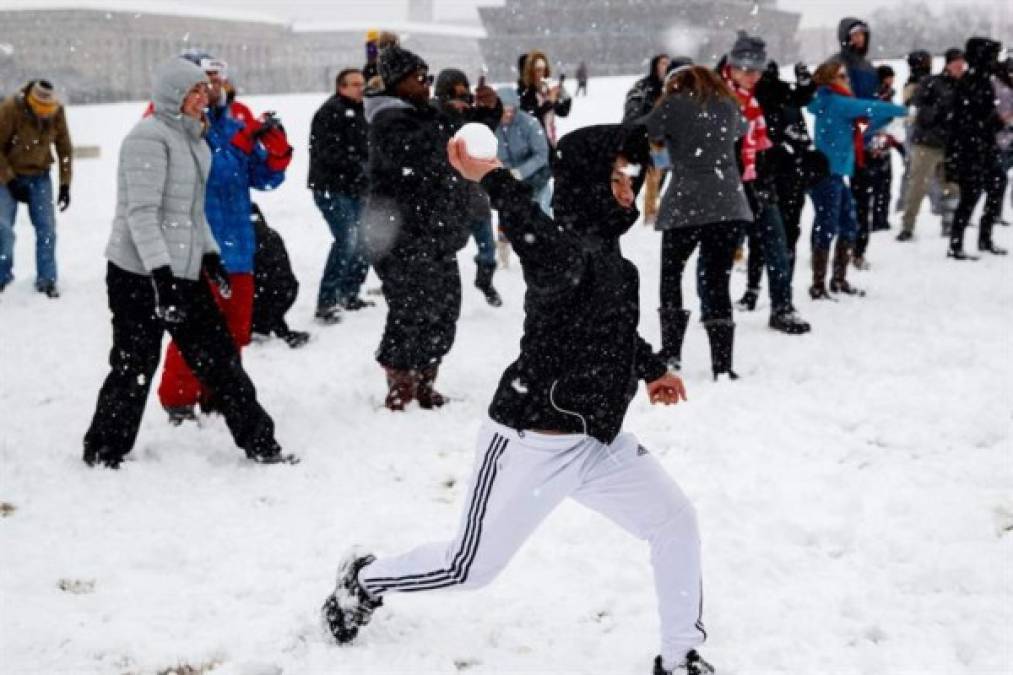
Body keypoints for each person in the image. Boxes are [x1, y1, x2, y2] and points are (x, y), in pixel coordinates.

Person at [322, 124, 716, 675]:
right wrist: (495, 179)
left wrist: (651, 370)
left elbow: (612, 331)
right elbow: (530, 232)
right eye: (614, 176)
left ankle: (680, 656)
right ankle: (363, 580)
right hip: (530, 441)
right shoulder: (563, 254)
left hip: (597, 443)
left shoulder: (613, 262)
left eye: (631, 175)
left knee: (675, 521)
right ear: (584, 185)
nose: (628, 187)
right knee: (469, 567)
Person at [82, 58, 294, 468]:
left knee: (220, 360)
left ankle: (261, 444)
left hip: (184, 270)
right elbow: (142, 214)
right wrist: (160, 277)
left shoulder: (197, 141)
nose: (204, 96)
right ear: (172, 95)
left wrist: (210, 256)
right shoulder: (147, 138)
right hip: (136, 273)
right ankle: (104, 449)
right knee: (134, 363)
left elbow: (193, 214)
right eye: (194, 90)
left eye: (204, 89)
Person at [155, 51, 292, 424]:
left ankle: (219, 393)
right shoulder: (167, 124)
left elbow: (265, 179)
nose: (214, 86)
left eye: (217, 77)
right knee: (195, 330)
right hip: (193, 247)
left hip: (237, 244)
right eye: (204, 79)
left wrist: (274, 147)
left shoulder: (234, 124)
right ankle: (178, 398)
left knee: (234, 329)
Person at [362, 46, 469, 411]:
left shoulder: (426, 114)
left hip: (437, 232)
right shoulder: (388, 119)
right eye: (418, 78)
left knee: (444, 308)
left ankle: (427, 378)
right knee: (410, 310)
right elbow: (423, 153)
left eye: (429, 77)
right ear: (397, 82)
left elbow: (460, 141)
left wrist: (481, 112)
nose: (426, 85)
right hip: (402, 236)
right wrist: (447, 120)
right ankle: (400, 382)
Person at [643, 65, 753, 377]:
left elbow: (645, 130)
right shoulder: (728, 104)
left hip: (686, 204)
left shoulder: (672, 104)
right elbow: (742, 130)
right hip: (728, 204)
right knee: (717, 281)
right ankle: (723, 365)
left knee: (671, 275)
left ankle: (671, 353)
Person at [720, 34, 811, 335]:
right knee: (719, 251)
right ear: (732, 67)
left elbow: (796, 101)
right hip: (724, 183)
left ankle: (782, 308)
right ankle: (715, 312)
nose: (752, 76)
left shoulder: (764, 90)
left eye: (757, 70)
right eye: (746, 70)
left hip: (760, 181)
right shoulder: (717, 95)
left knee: (776, 243)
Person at [807, 59, 906, 298]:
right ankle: (819, 284)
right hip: (826, 173)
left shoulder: (838, 103)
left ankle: (838, 279)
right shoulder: (835, 101)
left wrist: (886, 118)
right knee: (829, 224)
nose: (846, 79)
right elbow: (870, 108)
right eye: (841, 75)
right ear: (829, 79)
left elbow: (863, 125)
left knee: (848, 223)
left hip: (836, 174)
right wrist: (904, 111)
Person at [746, 60, 827, 291]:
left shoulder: (779, 97)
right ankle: (766, 289)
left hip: (785, 175)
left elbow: (801, 128)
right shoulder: (767, 99)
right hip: (772, 176)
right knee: (772, 235)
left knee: (776, 235)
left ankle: (773, 289)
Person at [433, 68, 504, 307]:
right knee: (446, 249)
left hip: (475, 192)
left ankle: (485, 281)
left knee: (487, 247)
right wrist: (452, 112)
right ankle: (446, 294)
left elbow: (488, 125)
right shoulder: (434, 116)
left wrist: (491, 105)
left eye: (465, 95)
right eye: (455, 95)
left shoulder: (473, 116)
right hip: (447, 197)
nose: (461, 101)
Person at [308, 68, 374, 324]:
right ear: (341, 87)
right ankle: (327, 300)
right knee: (346, 239)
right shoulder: (329, 113)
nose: (361, 88)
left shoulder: (363, 112)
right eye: (355, 84)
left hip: (358, 187)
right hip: (332, 188)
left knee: (364, 241)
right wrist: (360, 165)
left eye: (362, 84)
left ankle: (349, 293)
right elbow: (327, 153)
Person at [0, 79, 72, 297]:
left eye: (47, 110)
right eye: (40, 109)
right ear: (31, 102)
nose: (44, 114)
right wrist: (10, 180)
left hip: (40, 176)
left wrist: (65, 184)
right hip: (7, 176)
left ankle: (47, 280)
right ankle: (2, 276)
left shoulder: (56, 111)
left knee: (47, 230)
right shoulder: (11, 109)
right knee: (3, 230)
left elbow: (64, 147)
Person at [945, 37, 1007, 258]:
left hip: (984, 146)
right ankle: (956, 243)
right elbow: (969, 119)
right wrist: (998, 121)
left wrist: (997, 122)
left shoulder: (982, 81)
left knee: (996, 185)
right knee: (971, 194)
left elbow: (982, 116)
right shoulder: (970, 83)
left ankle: (984, 238)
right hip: (970, 149)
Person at [898, 49, 965, 241]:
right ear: (948, 64)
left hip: (951, 144)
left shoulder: (963, 86)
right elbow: (917, 108)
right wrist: (941, 113)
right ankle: (907, 226)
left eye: (963, 65)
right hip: (927, 143)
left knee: (952, 186)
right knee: (917, 186)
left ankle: (950, 224)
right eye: (957, 65)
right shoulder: (931, 83)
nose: (961, 69)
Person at [851, 65, 906, 268]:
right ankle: (855, 249)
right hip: (863, 158)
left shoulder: (886, 97)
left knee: (880, 191)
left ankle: (877, 224)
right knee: (861, 205)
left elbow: (891, 125)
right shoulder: (866, 99)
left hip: (879, 153)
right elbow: (861, 127)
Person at [250, 203, 310, 348]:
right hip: (284, 290)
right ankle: (269, 326)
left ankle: (259, 328)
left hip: (260, 294)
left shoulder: (239, 239)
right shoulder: (271, 234)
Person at [624, 54, 671, 225]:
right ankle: (646, 212)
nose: (665, 66)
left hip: (661, 142)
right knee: (641, 176)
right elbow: (632, 112)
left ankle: (651, 210)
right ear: (655, 65)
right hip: (642, 138)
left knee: (658, 174)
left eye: (668, 63)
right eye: (663, 63)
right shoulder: (643, 87)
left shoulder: (670, 87)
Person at [495, 86, 550, 210]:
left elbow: (542, 155)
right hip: (509, 187)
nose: (508, 114)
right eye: (504, 110)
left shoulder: (529, 123)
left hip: (536, 181)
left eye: (511, 110)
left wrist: (521, 171)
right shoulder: (492, 127)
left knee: (540, 220)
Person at [895, 50, 934, 214]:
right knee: (916, 168)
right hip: (916, 129)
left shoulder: (917, 82)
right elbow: (911, 109)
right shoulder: (915, 84)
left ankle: (904, 203)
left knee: (914, 168)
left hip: (917, 128)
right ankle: (904, 204)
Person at [517, 49, 572, 149]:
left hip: (550, 143)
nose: (542, 74)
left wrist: (563, 95)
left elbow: (563, 112)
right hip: (533, 146)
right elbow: (531, 116)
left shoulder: (544, 90)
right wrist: (550, 101)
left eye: (544, 69)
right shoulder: (524, 93)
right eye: (538, 70)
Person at [833, 17, 877, 100]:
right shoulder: (835, 64)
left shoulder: (867, 65)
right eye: (855, 34)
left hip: (867, 111)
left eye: (862, 34)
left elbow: (872, 94)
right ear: (845, 37)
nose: (860, 38)